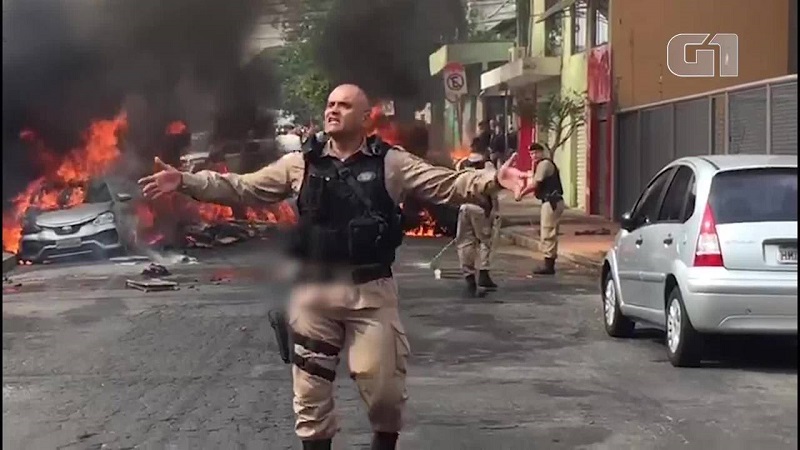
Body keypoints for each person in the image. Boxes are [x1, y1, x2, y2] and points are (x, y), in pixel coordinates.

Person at [138, 84, 534, 450]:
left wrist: (493, 179)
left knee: (384, 394)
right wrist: (187, 180)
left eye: (344, 105)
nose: (333, 110)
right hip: (315, 294)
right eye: (329, 104)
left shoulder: (391, 163)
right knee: (309, 400)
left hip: (371, 293)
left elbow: (445, 184)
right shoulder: (299, 164)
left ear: (365, 118)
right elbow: (242, 186)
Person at [454, 139, 498, 296]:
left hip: (463, 206)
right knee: (485, 241)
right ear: (485, 150)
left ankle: (469, 277)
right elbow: (492, 188)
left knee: (465, 242)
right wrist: (495, 210)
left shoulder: (461, 164)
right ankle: (484, 273)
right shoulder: (488, 166)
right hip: (481, 207)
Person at [528, 142, 565, 275]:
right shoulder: (541, 164)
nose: (533, 156)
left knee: (548, 232)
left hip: (551, 201)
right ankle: (549, 262)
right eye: (531, 154)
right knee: (549, 231)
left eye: (535, 153)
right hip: (551, 201)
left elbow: (535, 184)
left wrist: (520, 194)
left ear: (541, 152)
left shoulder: (544, 164)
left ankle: (548, 265)